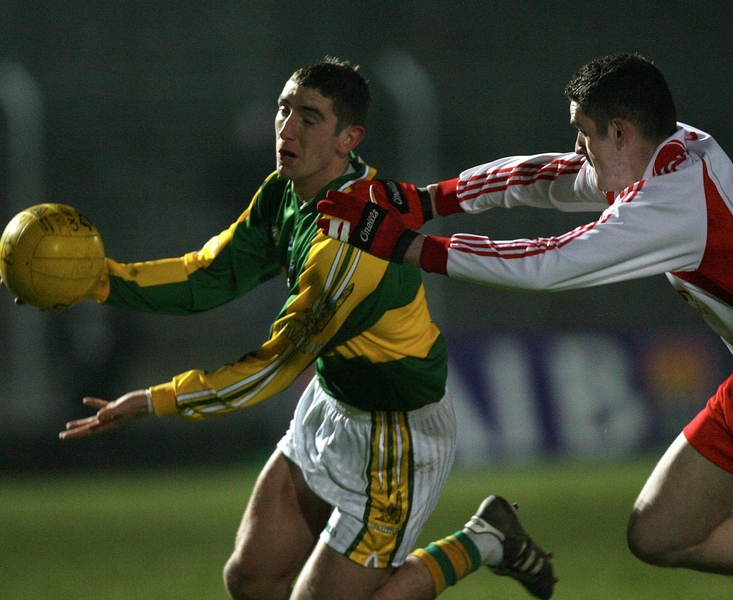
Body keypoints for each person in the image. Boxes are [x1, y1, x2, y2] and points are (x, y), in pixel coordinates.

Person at [34, 58, 557, 600]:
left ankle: (484, 540)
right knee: (250, 579)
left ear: (347, 139)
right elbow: (209, 275)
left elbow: (274, 367)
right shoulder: (285, 193)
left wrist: (154, 400)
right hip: (331, 405)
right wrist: (102, 280)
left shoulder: (352, 244)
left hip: (395, 437)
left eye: (309, 118)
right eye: (284, 110)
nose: (286, 127)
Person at [317, 52, 733, 598]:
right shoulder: (673, 150)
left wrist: (407, 246)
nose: (577, 148)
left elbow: (549, 263)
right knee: (660, 532)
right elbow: (551, 176)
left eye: (582, 133)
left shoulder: (673, 202)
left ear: (619, 131)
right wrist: (430, 200)